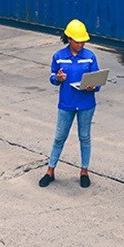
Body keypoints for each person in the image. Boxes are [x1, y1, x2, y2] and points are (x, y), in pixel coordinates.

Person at [40, 19, 101, 189]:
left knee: (84, 137)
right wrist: (57, 79)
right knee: (59, 137)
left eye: (83, 41)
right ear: (69, 39)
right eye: (77, 41)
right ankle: (50, 171)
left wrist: (93, 86)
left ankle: (84, 171)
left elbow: (98, 80)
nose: (80, 44)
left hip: (86, 104)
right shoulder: (59, 57)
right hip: (66, 104)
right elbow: (52, 77)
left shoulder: (89, 57)